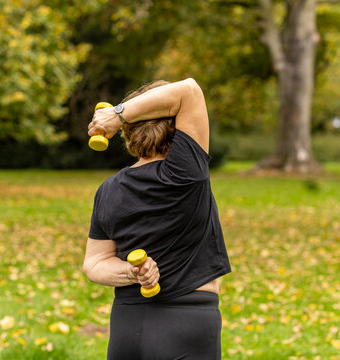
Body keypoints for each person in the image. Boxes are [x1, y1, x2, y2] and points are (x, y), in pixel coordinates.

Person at [83, 78, 232, 360]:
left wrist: (129, 272)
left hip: (126, 329)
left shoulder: (109, 189)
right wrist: (118, 113)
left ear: (131, 131)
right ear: (177, 126)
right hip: (186, 325)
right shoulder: (185, 173)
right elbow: (188, 91)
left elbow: (94, 264)